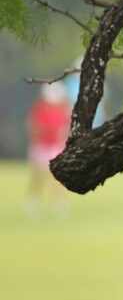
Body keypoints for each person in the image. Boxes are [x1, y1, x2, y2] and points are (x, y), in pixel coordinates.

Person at [25, 81, 72, 218]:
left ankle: (59, 204)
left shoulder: (63, 109)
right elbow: (34, 128)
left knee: (59, 177)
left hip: (56, 146)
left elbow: (66, 128)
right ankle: (33, 202)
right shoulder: (39, 108)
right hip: (41, 146)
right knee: (38, 176)